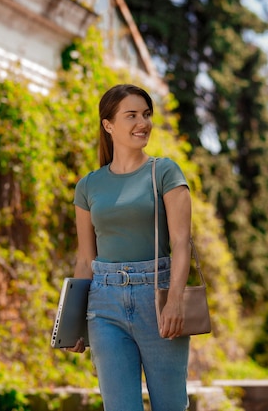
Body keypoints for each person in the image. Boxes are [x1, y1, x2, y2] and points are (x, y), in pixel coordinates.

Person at [68, 84, 192, 411]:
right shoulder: (89, 186)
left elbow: (181, 242)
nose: (143, 122)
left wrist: (176, 299)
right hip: (104, 303)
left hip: (158, 296)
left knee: (170, 405)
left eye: (147, 114)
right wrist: (72, 320)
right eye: (132, 115)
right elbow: (85, 259)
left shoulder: (164, 172)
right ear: (108, 125)